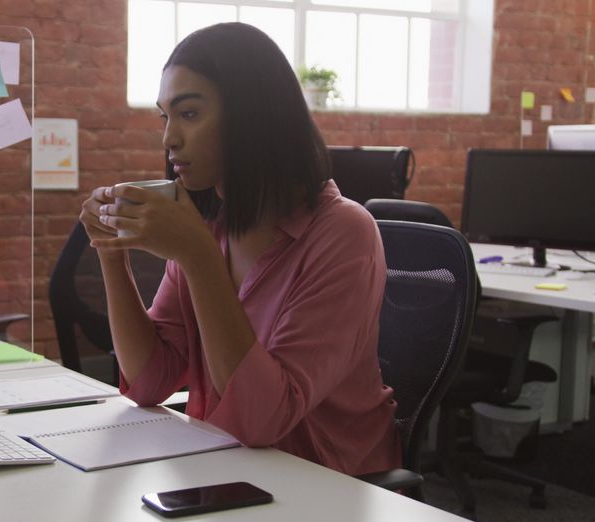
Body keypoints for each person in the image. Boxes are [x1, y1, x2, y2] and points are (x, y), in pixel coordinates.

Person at [79, 22, 398, 476]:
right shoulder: (212, 226)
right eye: (164, 117)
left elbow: (263, 418)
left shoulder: (344, 233)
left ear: (251, 116)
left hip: (326, 483)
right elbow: (151, 381)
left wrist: (197, 256)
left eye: (188, 114)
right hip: (227, 468)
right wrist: (111, 252)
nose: (168, 138)